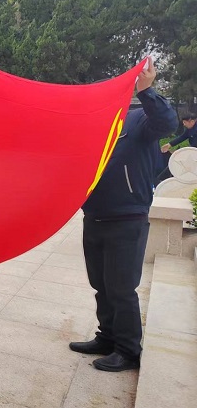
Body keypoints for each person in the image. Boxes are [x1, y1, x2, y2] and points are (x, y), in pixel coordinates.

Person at [71, 60, 178, 372]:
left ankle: (129, 350)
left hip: (127, 217)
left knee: (121, 287)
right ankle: (107, 337)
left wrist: (146, 91)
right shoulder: (92, 128)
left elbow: (166, 122)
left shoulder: (138, 119)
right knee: (101, 284)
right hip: (95, 216)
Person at [156, 110, 197, 184]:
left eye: (185, 122)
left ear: (191, 121)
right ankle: (163, 178)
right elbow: (183, 137)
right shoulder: (190, 129)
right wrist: (170, 144)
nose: (184, 125)